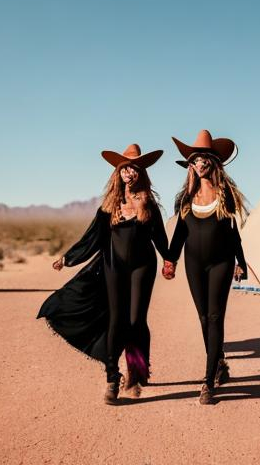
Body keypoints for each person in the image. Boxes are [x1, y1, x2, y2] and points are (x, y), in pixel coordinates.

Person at [37, 144, 169, 405]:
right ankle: (112, 377)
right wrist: (68, 258)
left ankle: (138, 368)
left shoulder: (149, 205)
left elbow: (160, 239)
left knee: (136, 320)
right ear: (118, 173)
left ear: (141, 173)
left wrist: (169, 260)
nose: (129, 172)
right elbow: (92, 239)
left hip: (143, 267)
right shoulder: (109, 207)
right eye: (124, 168)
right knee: (117, 320)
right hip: (114, 267)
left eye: (134, 168)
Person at [162, 129, 249, 405]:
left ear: (214, 162)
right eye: (195, 159)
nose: (199, 163)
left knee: (214, 317)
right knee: (203, 318)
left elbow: (234, 233)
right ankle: (220, 362)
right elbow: (179, 235)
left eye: (204, 158)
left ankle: (208, 381)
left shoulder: (227, 196)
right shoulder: (185, 199)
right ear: (191, 165)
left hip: (221, 262)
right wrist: (170, 260)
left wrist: (240, 262)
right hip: (194, 264)